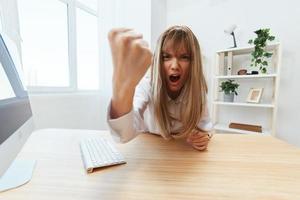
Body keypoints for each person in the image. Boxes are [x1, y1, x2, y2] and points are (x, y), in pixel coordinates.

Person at [107, 25, 212, 151]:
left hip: (183, 151)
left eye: (184, 57)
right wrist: (122, 88)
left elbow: (205, 126)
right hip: (150, 150)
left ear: (194, 63)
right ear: (158, 61)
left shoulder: (197, 91)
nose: (174, 66)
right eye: (166, 57)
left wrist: (203, 136)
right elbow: (123, 135)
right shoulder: (147, 85)